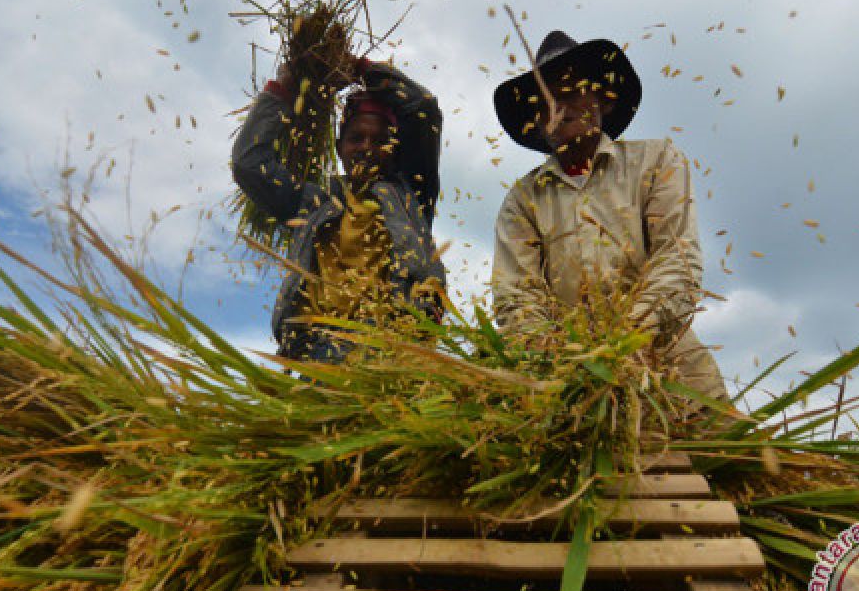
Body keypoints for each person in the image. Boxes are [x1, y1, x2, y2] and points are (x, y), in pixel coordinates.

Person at [490, 30, 729, 407]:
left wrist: (630, 337)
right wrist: (564, 360)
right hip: (567, 384)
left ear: (604, 100)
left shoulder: (655, 161)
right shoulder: (523, 199)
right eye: (543, 102)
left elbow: (677, 259)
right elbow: (517, 296)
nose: (557, 109)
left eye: (569, 93)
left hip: (673, 371)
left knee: (731, 461)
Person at [232, 54, 446, 364]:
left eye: (380, 140)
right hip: (320, 351)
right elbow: (249, 164)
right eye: (356, 138)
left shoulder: (411, 193)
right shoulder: (313, 205)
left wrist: (361, 70)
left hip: (396, 346)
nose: (367, 148)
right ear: (339, 146)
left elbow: (423, 107)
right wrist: (283, 88)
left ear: (395, 150)